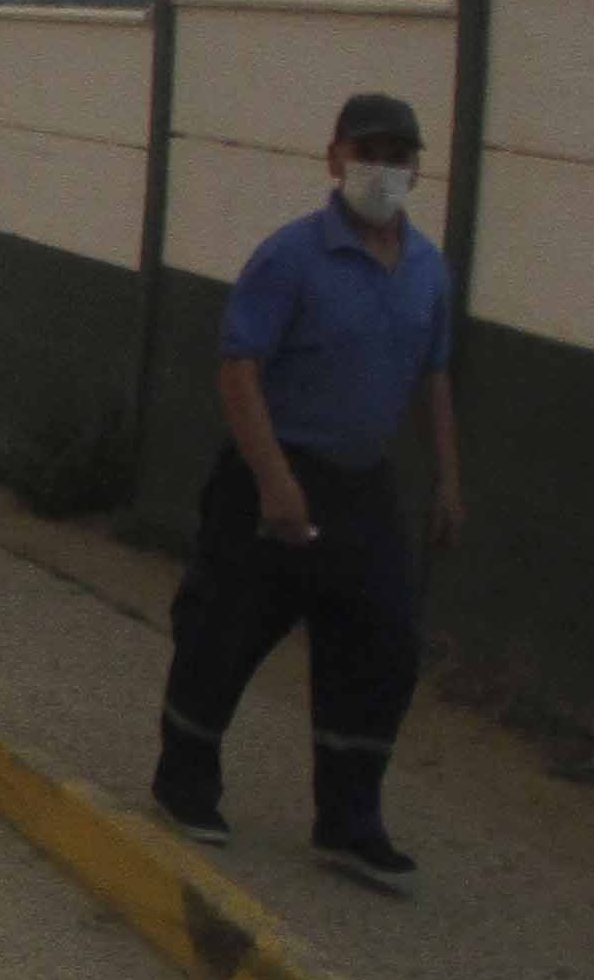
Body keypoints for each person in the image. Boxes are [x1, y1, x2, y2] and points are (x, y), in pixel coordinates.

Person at [153, 92, 462, 891]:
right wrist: (275, 482)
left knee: (382, 645)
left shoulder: (428, 267)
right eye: (368, 151)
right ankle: (185, 777)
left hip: (363, 486)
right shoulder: (290, 257)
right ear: (333, 158)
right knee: (226, 630)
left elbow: (433, 378)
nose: (383, 169)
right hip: (272, 475)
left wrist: (447, 482)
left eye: (400, 154)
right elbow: (238, 368)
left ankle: (351, 821)